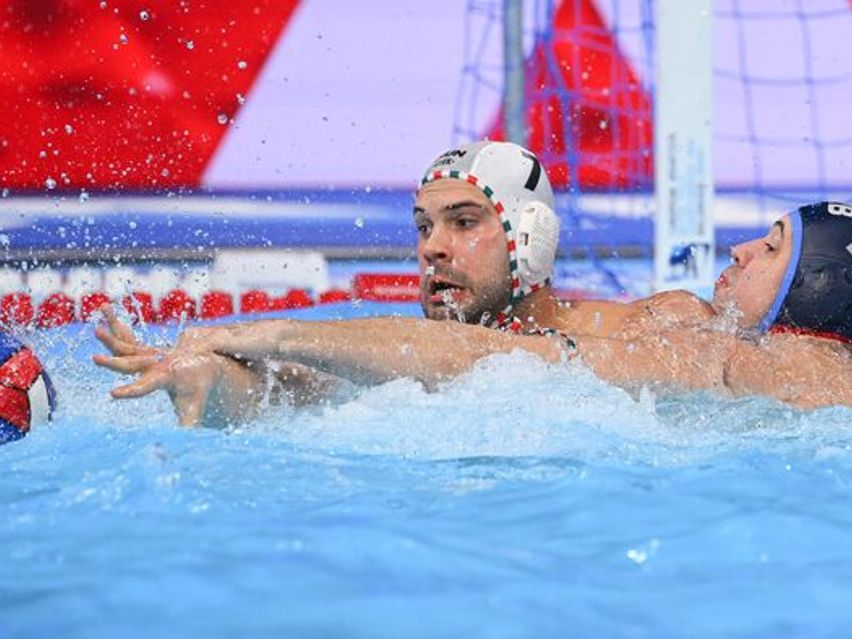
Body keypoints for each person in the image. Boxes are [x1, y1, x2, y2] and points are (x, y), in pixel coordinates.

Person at [93, 141, 852, 425]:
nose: (433, 248)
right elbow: (296, 395)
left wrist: (263, 330)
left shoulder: (671, 330)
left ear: (529, 238)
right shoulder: (406, 350)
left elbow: (487, 363)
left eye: (462, 222)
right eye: (423, 227)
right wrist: (207, 379)